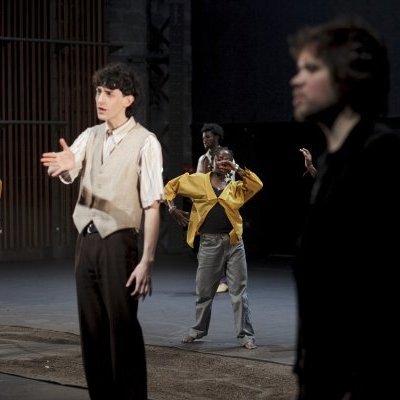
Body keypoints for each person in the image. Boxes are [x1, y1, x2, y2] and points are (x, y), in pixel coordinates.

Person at [288, 16, 400, 399]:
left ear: (347, 78)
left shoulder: (381, 157)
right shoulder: (332, 164)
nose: (296, 80)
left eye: (311, 69)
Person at [40, 62, 164, 400]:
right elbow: (70, 166)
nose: (100, 99)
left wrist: (147, 261)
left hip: (120, 242)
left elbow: (152, 205)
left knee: (122, 327)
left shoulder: (146, 142)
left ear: (128, 99)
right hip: (87, 241)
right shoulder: (90, 135)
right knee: (92, 329)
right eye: (98, 91)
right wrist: (67, 166)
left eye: (109, 93)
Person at [164, 146, 262, 349]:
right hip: (209, 243)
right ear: (212, 162)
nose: (223, 164)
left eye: (227, 161)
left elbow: (257, 184)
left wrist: (238, 169)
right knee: (204, 292)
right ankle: (197, 330)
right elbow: (169, 187)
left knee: (239, 292)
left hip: (234, 243)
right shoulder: (198, 181)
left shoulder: (236, 186)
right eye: (219, 160)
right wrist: (172, 209)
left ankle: (245, 335)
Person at [197, 123, 233, 293]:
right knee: (209, 242)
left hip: (224, 203)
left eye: (208, 136)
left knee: (224, 242)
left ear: (217, 137)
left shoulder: (226, 156)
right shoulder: (203, 159)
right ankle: (214, 278)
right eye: (203, 137)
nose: (204, 140)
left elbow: (231, 180)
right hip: (208, 205)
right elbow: (198, 182)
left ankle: (224, 279)